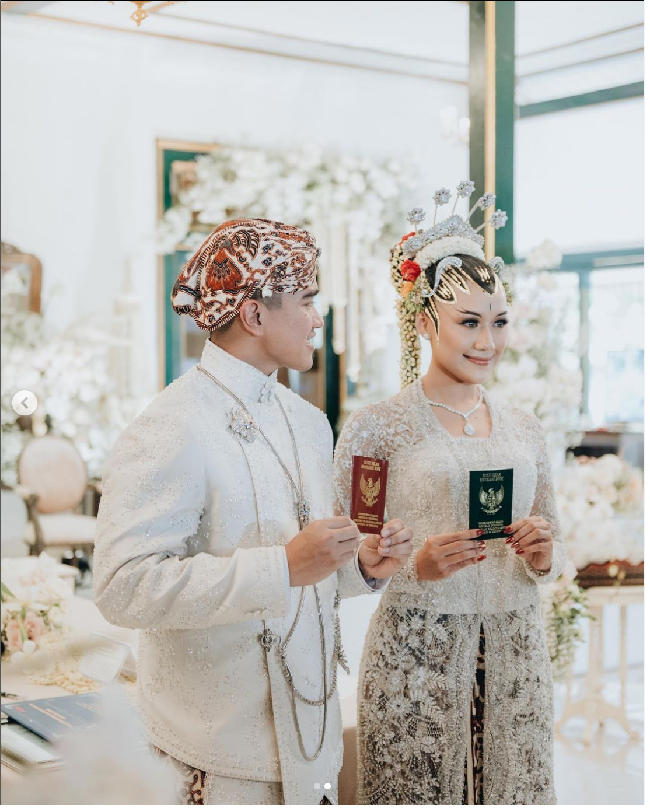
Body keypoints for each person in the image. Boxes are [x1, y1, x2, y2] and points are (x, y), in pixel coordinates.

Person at [93, 218, 413, 805]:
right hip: (218, 748)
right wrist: (283, 566)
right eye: (308, 299)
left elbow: (306, 568)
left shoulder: (308, 423)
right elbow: (120, 586)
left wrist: (360, 564)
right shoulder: (172, 424)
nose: (319, 318)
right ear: (255, 315)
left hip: (311, 733)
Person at [334, 185, 565, 805]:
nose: (487, 340)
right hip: (417, 658)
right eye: (469, 322)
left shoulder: (525, 427)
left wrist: (542, 554)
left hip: (515, 658)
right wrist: (414, 566)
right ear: (424, 320)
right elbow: (343, 557)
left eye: (499, 321)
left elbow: (554, 541)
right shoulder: (376, 428)